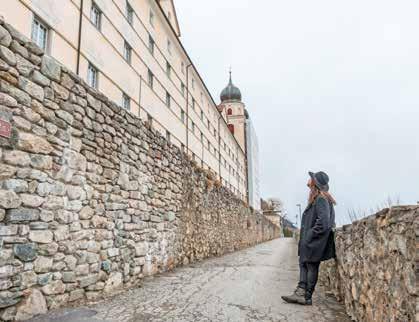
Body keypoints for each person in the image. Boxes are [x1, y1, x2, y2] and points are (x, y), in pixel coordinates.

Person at [282, 171, 336, 305]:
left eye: (311, 179)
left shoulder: (321, 199)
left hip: (315, 241)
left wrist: (310, 235)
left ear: (315, 183)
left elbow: (323, 222)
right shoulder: (318, 197)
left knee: (311, 266)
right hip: (311, 241)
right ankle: (300, 293)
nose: (308, 181)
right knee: (304, 264)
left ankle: (306, 297)